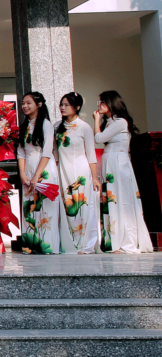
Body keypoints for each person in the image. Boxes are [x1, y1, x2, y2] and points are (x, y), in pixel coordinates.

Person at [93, 91, 154, 254]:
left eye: (102, 102)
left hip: (118, 163)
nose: (99, 105)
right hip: (109, 162)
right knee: (111, 201)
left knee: (123, 200)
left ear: (111, 103)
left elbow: (98, 139)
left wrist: (96, 120)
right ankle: (113, 241)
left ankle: (127, 242)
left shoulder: (120, 122)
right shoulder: (109, 122)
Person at [54, 92, 101, 254]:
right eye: (61, 104)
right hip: (62, 171)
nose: (63, 107)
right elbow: (55, 153)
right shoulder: (57, 126)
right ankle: (70, 243)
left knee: (82, 206)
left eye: (67, 105)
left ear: (77, 107)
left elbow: (91, 154)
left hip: (81, 172)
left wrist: (95, 177)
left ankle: (86, 243)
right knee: (66, 206)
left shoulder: (84, 127)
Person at [16, 92, 60, 255]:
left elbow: (47, 152)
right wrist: (22, 173)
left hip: (44, 169)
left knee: (46, 208)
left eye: (28, 103)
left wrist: (37, 175)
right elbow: (21, 152)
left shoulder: (46, 124)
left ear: (39, 104)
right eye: (23, 103)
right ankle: (31, 245)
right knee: (29, 207)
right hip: (28, 168)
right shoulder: (24, 125)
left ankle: (47, 245)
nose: (24, 106)